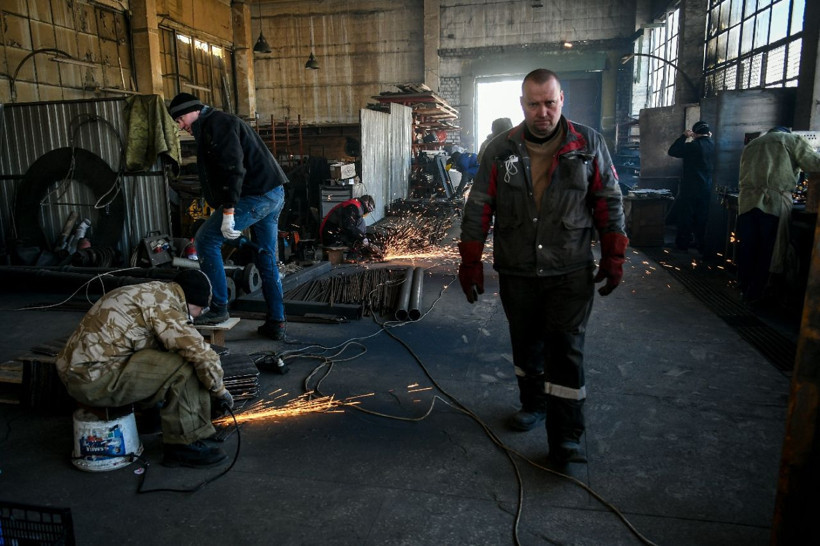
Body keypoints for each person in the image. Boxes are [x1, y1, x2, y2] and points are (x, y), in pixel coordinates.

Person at [458, 69, 628, 465]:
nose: (542, 111)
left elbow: (609, 202)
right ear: (522, 105)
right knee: (526, 342)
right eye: (533, 104)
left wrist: (614, 254)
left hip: (569, 269)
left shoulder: (588, 144)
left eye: (549, 102)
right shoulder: (500, 150)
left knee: (566, 350)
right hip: (518, 269)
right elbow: (478, 207)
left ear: (562, 100)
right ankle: (533, 404)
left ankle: (566, 437)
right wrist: (470, 261)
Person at [56, 270, 234, 468]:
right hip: (93, 381)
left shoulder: (151, 292)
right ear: (191, 301)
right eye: (201, 309)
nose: (200, 315)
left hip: (77, 373)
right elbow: (203, 356)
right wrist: (220, 392)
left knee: (159, 356)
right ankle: (184, 445)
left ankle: (152, 417)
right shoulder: (166, 307)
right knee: (185, 365)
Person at [168, 93, 288, 341]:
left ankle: (219, 308)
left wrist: (229, 211)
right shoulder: (215, 124)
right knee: (266, 257)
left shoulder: (217, 124)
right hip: (272, 192)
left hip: (258, 195)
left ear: (194, 110)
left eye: (180, 119)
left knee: (206, 239)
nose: (181, 126)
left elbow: (234, 168)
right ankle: (276, 322)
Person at [736, 126, 820, 304]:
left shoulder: (753, 144)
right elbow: (815, 164)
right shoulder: (791, 140)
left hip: (747, 203)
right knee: (769, 251)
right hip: (772, 204)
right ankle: (758, 294)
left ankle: (745, 289)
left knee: (748, 248)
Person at [667, 121, 714, 253]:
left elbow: (673, 151)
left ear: (694, 133)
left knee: (686, 216)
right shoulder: (713, 145)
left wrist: (684, 136)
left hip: (690, 188)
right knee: (702, 217)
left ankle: (682, 244)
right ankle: (700, 244)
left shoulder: (693, 146)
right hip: (707, 187)